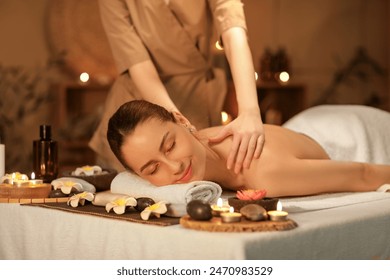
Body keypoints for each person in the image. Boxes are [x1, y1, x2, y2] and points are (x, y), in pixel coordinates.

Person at [90, 0, 264, 174]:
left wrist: (249, 110)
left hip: (197, 102)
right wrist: (175, 121)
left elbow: (233, 29)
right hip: (139, 115)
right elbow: (139, 65)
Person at [107, 100, 390, 198]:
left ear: (182, 121)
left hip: (355, 134)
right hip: (302, 128)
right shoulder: (194, 146)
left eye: (170, 146)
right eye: (153, 169)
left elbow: (363, 174)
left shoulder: (266, 172)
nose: (175, 167)